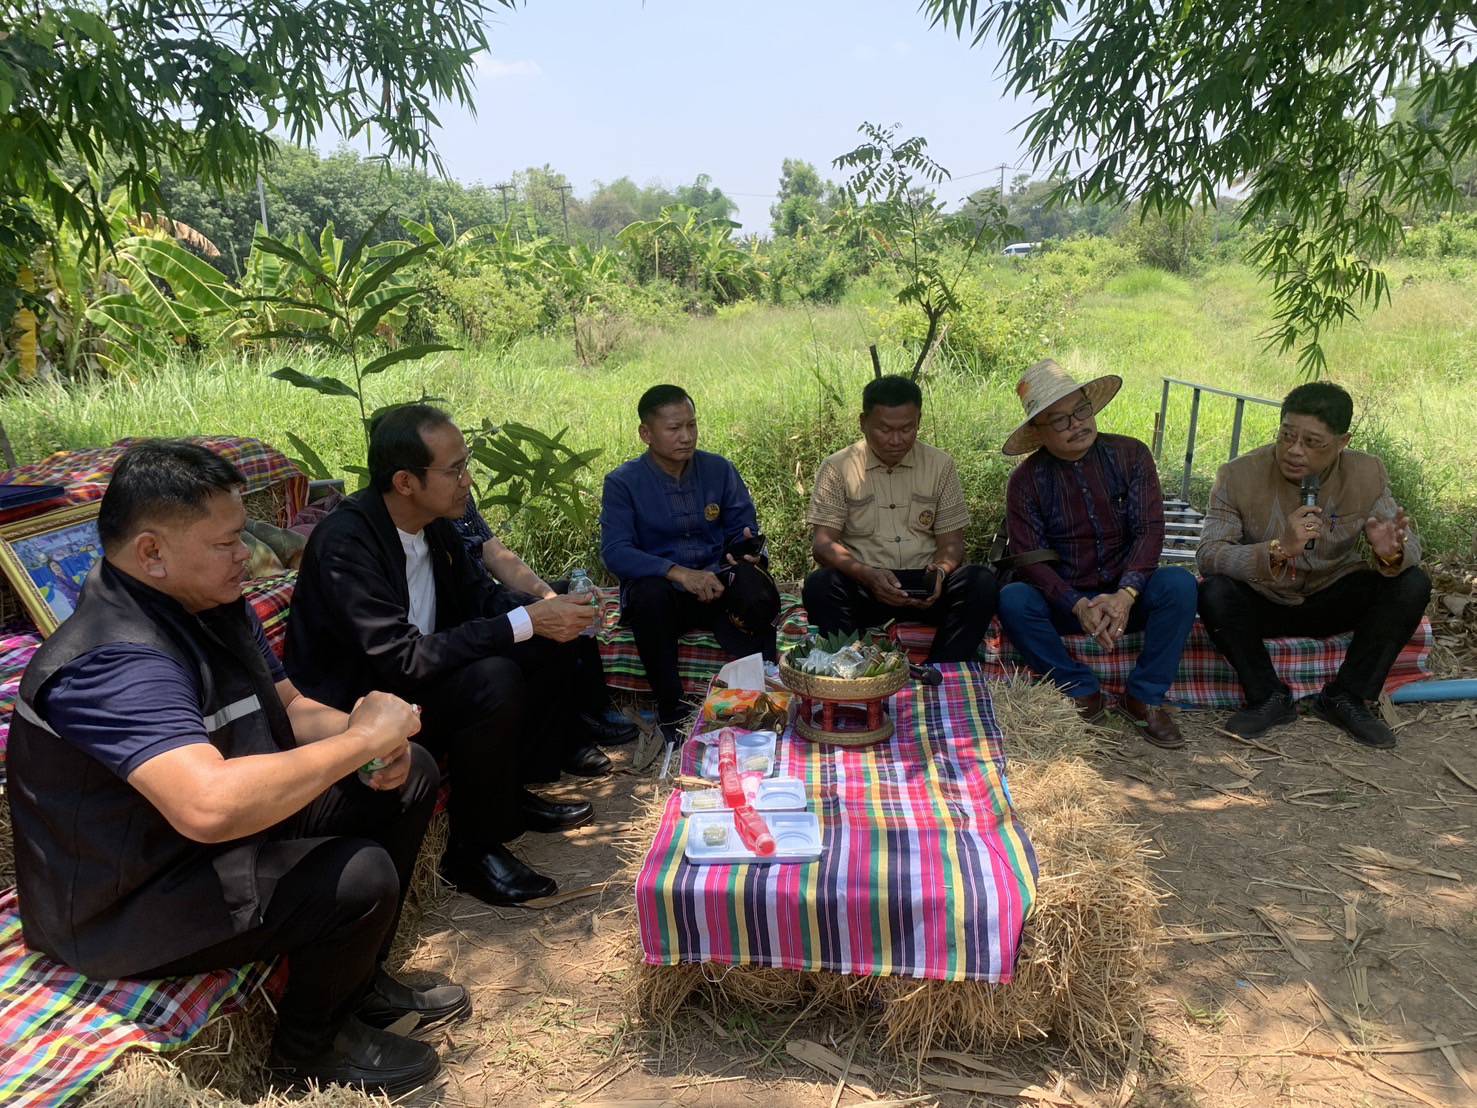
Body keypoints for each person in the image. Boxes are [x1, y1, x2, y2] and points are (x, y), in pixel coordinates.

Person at [8, 440, 462, 1096]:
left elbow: (290, 710)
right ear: (152, 553)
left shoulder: (208, 605)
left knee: (409, 771)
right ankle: (310, 1051)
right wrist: (359, 737)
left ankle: (356, 987)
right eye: (225, 543)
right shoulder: (113, 660)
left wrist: (371, 741)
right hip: (129, 894)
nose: (247, 556)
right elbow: (208, 805)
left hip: (201, 842)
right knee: (356, 877)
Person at [285, 405, 618, 908]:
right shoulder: (347, 543)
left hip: (419, 679)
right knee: (494, 677)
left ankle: (509, 797)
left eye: (466, 465)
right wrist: (527, 621)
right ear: (405, 481)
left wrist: (549, 611)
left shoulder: (436, 525)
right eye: (455, 469)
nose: (468, 481)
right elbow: (399, 660)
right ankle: (472, 852)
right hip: (365, 704)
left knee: (544, 645)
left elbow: (480, 599)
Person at [1197, 382, 1431, 748]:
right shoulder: (1237, 475)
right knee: (1214, 591)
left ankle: (1347, 697)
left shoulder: (1367, 474)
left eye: (1312, 442)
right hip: (1266, 597)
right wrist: (1276, 550)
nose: (1294, 451)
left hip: (1332, 595)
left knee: (1413, 582)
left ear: (1342, 442)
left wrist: (1392, 553)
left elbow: (1405, 546)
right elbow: (1209, 553)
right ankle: (1268, 697)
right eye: (1286, 435)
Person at [997, 359, 1197, 747]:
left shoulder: (1131, 455)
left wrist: (1125, 594)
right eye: (1059, 420)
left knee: (1180, 585)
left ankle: (1144, 698)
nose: (1076, 424)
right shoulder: (1025, 481)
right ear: (1038, 432)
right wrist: (1077, 604)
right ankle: (1080, 689)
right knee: (1013, 598)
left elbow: (1149, 530)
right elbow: (1030, 557)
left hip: (1128, 594)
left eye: (1081, 410)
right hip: (1066, 602)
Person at [600, 384, 780, 745]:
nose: (686, 437)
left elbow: (741, 528)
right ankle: (673, 710)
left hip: (716, 585)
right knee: (649, 595)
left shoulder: (718, 470)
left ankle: (763, 697)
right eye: (674, 429)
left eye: (692, 426)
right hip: (665, 592)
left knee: (755, 586)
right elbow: (615, 551)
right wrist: (680, 574)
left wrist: (745, 551)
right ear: (646, 434)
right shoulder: (623, 482)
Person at [803, 374, 997, 661]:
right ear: (863, 422)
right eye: (885, 429)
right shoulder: (837, 467)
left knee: (981, 581)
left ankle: (942, 667)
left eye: (907, 429)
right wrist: (868, 576)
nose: (896, 440)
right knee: (820, 585)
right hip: (865, 582)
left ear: (919, 421)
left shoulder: (940, 465)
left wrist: (941, 573)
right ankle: (853, 666)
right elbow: (823, 545)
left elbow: (953, 542)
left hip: (925, 583)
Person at [453, 498, 637, 744]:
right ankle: (572, 736)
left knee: (568, 597)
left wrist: (549, 596)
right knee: (547, 628)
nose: (466, 479)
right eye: (455, 470)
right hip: (467, 616)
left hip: (487, 597)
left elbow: (496, 554)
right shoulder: (428, 523)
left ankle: (594, 711)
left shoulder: (459, 502)